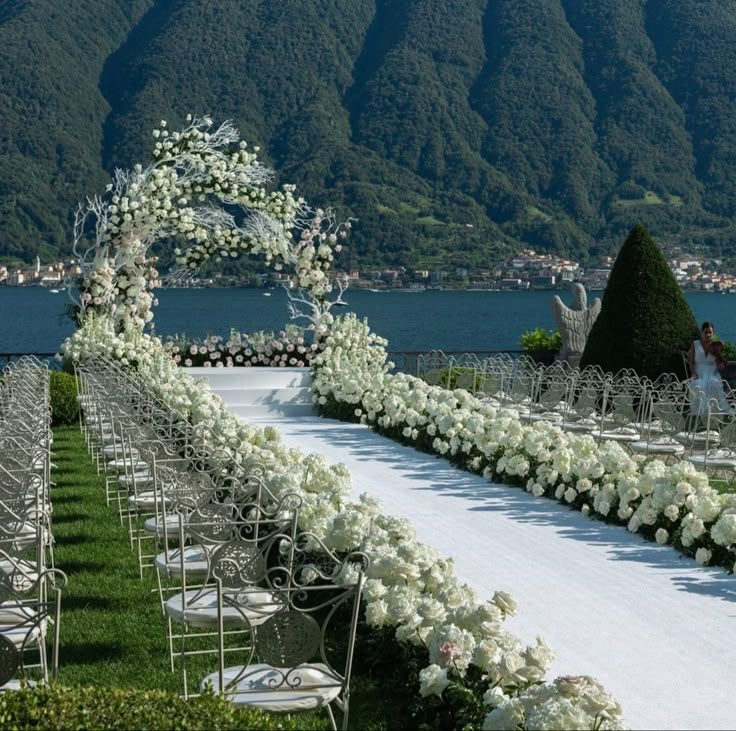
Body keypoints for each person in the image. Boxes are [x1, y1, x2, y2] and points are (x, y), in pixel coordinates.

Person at [689, 321, 732, 415]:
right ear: (702, 332)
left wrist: (721, 365)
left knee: (714, 383)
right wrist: (693, 373)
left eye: (710, 332)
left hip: (712, 373)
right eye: (706, 332)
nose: (708, 335)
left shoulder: (716, 346)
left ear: (713, 333)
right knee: (698, 384)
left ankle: (713, 410)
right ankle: (698, 411)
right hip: (698, 373)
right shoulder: (695, 344)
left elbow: (719, 363)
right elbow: (691, 362)